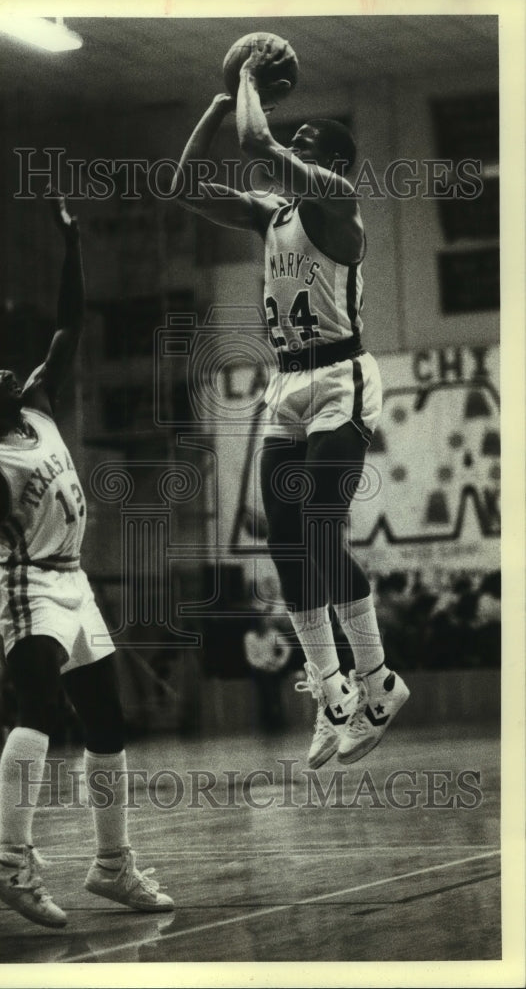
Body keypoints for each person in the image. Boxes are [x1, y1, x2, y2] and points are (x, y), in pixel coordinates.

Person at [0, 194, 173, 928]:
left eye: (0, 367)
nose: (4, 372)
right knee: (39, 709)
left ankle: (114, 867)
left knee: (107, 722)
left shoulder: (35, 403)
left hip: (76, 584)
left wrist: (72, 243)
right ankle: (10, 859)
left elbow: (69, 324)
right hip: (28, 584)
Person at [172, 39, 409, 769]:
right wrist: (216, 105)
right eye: (293, 136)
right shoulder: (270, 217)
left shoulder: (338, 203)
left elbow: (257, 140)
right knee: (284, 543)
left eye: (307, 141)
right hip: (285, 386)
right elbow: (183, 186)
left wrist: (244, 78)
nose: (291, 142)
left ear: (332, 164)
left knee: (319, 532)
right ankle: (332, 694)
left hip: (341, 379)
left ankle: (379, 683)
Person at [242, 614, 292, 733]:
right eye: (264, 622)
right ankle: (271, 718)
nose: (266, 624)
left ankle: (275, 717)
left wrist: (279, 663)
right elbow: (251, 658)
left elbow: (287, 648)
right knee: (266, 686)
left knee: (273, 687)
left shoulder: (273, 633)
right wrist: (264, 666)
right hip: (259, 669)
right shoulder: (250, 637)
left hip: (274, 667)